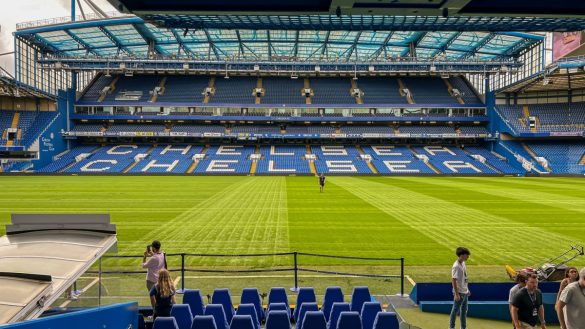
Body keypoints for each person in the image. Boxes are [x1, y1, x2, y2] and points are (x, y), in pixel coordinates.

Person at [450, 247, 471, 329]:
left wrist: (467, 289)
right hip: (459, 292)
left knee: (464, 311)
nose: (468, 256)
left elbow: (465, 277)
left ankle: (463, 327)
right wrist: (456, 294)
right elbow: (453, 280)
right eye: (466, 255)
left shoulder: (463, 263)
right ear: (461, 255)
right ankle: (451, 327)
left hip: (464, 291)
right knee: (455, 311)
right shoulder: (456, 266)